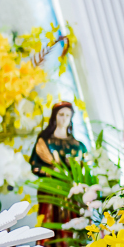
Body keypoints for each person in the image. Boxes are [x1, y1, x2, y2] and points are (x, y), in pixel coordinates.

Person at [29, 101, 87, 240]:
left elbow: (86, 168)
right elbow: (35, 166)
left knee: (73, 225)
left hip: (73, 193)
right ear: (55, 116)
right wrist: (52, 170)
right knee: (50, 225)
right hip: (51, 192)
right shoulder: (45, 142)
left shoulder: (78, 145)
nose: (64, 118)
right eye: (61, 114)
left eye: (68, 115)